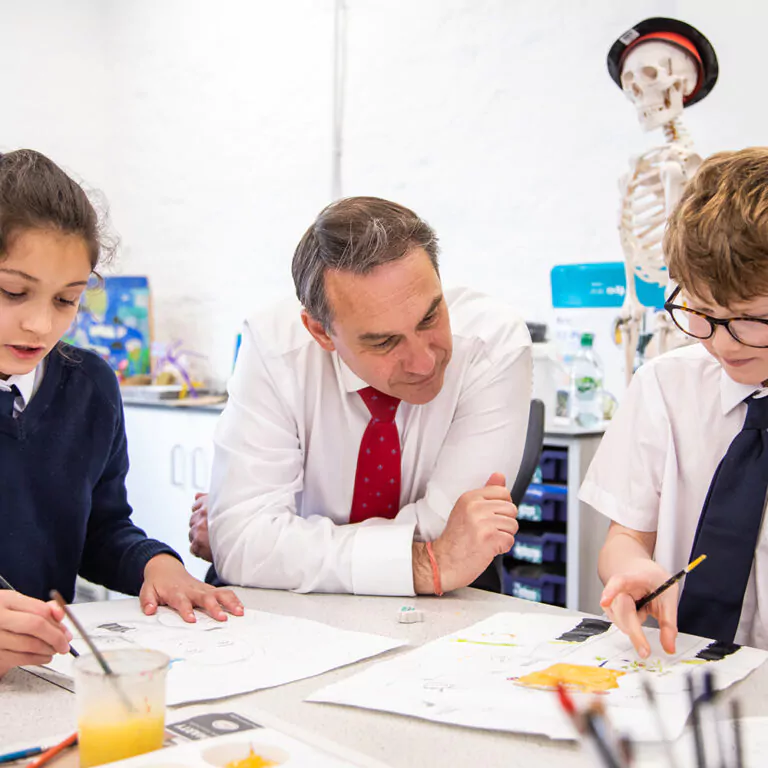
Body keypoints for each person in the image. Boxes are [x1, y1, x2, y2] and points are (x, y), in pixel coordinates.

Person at [189, 196, 532, 595]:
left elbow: (455, 529)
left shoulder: (493, 345)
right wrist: (426, 563)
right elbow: (244, 542)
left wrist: (276, 544)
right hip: (296, 609)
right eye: (385, 342)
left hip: (450, 598)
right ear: (320, 332)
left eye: (430, 317)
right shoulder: (274, 348)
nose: (423, 363)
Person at [0, 149, 242, 678]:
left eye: (66, 300)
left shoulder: (89, 386)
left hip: (43, 680)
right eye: (13, 292)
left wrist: (154, 564)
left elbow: (99, 529)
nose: (40, 325)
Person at [581, 147, 768, 655]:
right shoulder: (667, 387)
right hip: (683, 667)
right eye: (702, 311)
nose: (723, 344)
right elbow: (626, 539)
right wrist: (630, 570)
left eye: (753, 318)